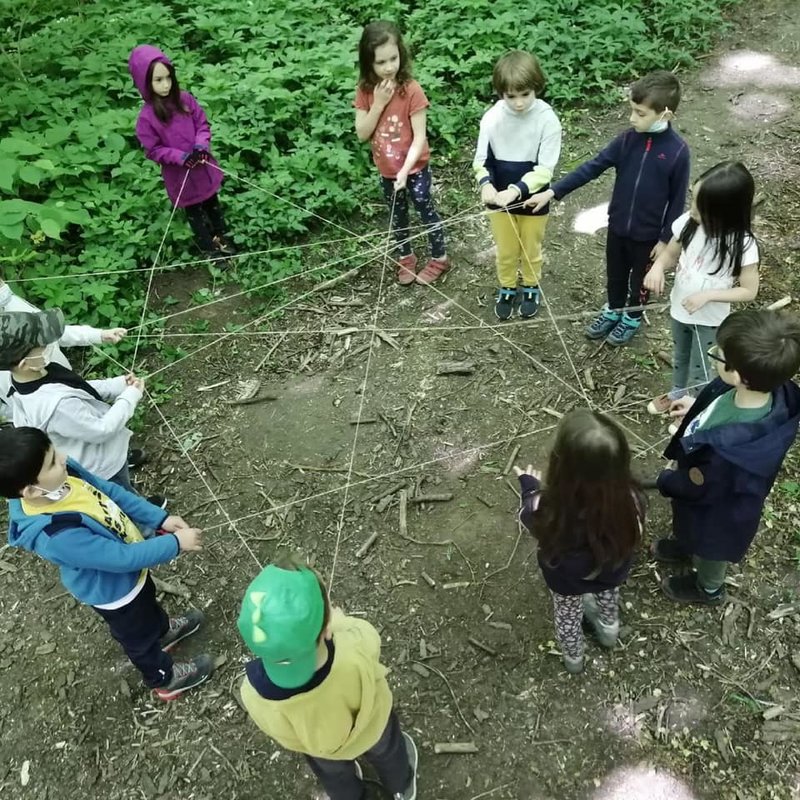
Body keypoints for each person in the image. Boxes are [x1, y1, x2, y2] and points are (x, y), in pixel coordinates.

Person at [0, 426, 214, 700]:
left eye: (55, 451)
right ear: (30, 490)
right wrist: (174, 544)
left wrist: (157, 518)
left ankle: (162, 631)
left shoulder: (65, 475)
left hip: (132, 573)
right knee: (138, 638)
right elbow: (119, 559)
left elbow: (110, 492)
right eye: (53, 461)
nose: (63, 458)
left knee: (148, 601)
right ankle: (164, 678)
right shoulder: (56, 534)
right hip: (116, 592)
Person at [526, 70, 690, 345]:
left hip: (648, 237)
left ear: (665, 115)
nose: (632, 118)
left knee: (638, 281)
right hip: (617, 226)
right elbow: (593, 167)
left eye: (640, 113)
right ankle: (614, 308)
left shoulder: (677, 151)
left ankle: (632, 317)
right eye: (632, 110)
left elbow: (677, 201)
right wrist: (553, 192)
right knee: (615, 275)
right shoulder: (627, 140)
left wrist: (665, 240)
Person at [237, 558, 418, 800]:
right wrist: (341, 621)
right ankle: (400, 787)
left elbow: (284, 736)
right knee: (388, 750)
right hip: (374, 727)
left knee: (334, 775)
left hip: (324, 751)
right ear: (326, 629)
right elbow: (371, 639)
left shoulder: (253, 694)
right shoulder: (353, 647)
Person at [653, 309, 800, 605]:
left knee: (711, 548)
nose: (714, 355)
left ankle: (708, 589)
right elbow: (721, 402)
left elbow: (699, 488)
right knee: (690, 525)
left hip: (718, 509)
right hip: (705, 484)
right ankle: (686, 544)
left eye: (719, 355)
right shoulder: (761, 387)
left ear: (740, 375)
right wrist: (698, 407)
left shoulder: (731, 453)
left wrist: (667, 480)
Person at [515, 409, 645, 673]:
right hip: (612, 571)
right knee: (608, 595)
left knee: (567, 615)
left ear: (560, 465)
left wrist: (530, 487)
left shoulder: (547, 508)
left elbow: (527, 517)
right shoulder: (632, 499)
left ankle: (574, 659)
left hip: (565, 582)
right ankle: (610, 631)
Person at [643, 161, 760, 417]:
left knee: (702, 367)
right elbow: (670, 253)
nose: (692, 209)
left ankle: (695, 405)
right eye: (693, 199)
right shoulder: (688, 223)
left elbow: (749, 291)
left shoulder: (742, 244)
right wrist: (657, 268)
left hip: (710, 321)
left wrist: (708, 295)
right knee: (681, 355)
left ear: (725, 211)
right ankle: (676, 392)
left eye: (701, 206)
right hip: (680, 309)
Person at [0, 308, 149, 496]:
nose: (49, 344)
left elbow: (75, 387)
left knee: (125, 489)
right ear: (24, 363)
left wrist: (117, 385)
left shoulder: (36, 374)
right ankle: (146, 523)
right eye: (43, 345)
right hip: (102, 466)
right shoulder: (54, 405)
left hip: (103, 454)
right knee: (123, 498)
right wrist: (129, 397)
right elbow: (101, 430)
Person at [355, 20, 448, 286]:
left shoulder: (411, 89)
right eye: (380, 62)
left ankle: (440, 256)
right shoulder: (365, 92)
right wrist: (379, 103)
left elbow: (420, 136)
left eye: (393, 59)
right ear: (368, 63)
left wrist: (406, 171)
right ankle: (405, 256)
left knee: (423, 206)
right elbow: (362, 133)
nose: (388, 67)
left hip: (414, 168)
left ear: (401, 55)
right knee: (397, 214)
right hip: (386, 171)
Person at [128, 44, 236, 266]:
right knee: (195, 212)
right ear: (144, 82)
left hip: (202, 166)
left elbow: (202, 125)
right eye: (158, 80)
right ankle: (210, 250)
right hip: (181, 176)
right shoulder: (147, 118)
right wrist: (180, 157)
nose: (165, 84)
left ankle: (223, 236)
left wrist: (200, 146)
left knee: (212, 203)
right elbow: (154, 149)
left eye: (168, 77)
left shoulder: (185, 100)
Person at [474, 50, 561, 320]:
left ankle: (531, 285)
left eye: (525, 94)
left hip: (532, 201)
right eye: (511, 96)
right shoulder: (491, 119)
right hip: (498, 201)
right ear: (501, 93)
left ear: (536, 86)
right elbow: (481, 159)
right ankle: (508, 285)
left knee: (530, 247)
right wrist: (486, 184)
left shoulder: (547, 120)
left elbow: (545, 169)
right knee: (506, 247)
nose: (519, 103)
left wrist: (516, 190)